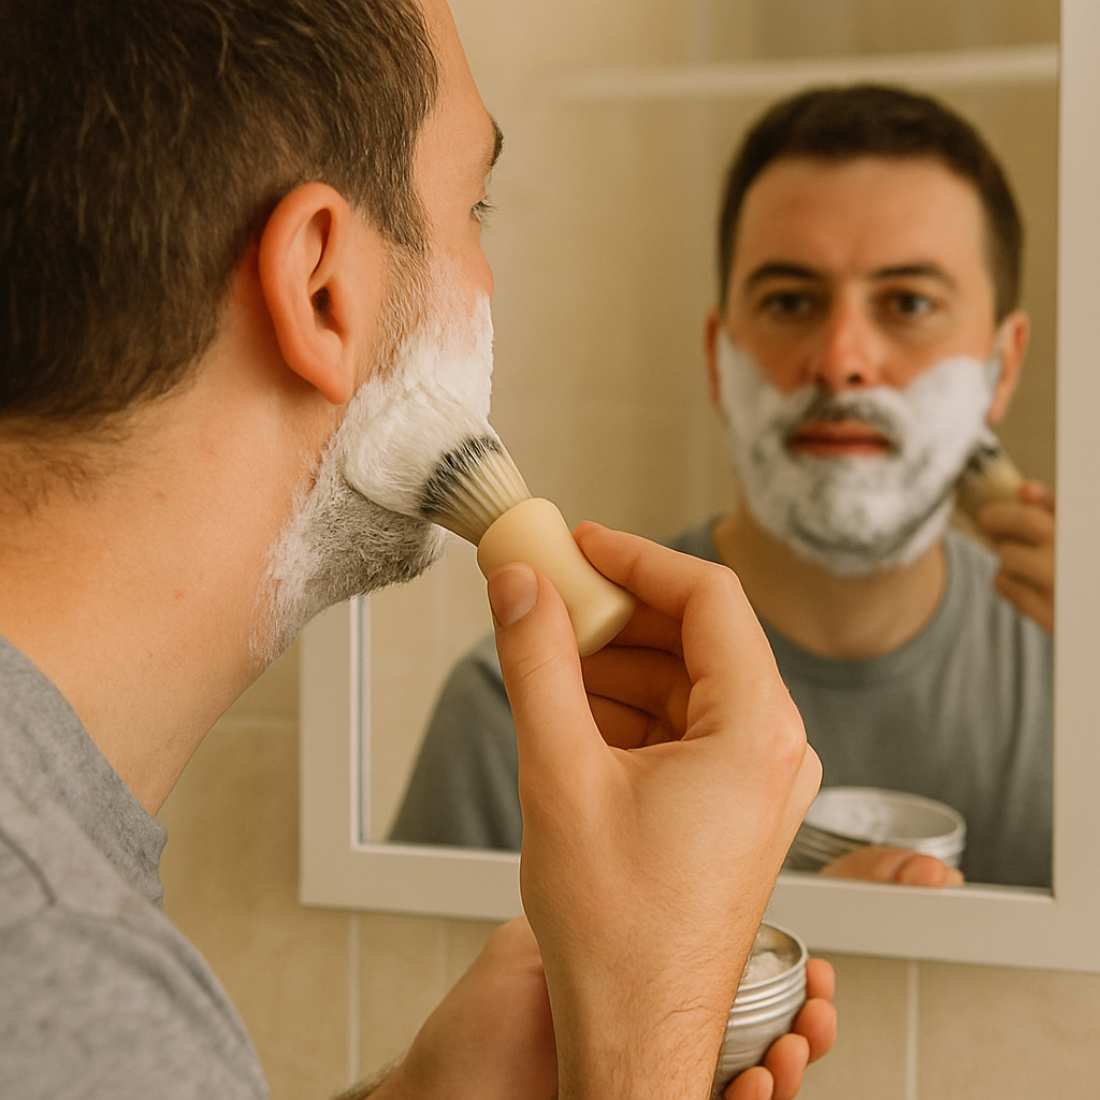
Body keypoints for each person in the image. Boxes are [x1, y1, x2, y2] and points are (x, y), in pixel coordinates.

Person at [0, 3, 835, 1099]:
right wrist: (641, 1045)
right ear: (320, 288)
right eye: (472, 207)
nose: (491, 284)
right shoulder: (62, 973)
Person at [392, 83, 1054, 891]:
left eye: (909, 302)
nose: (841, 358)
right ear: (718, 354)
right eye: (791, 301)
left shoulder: (1078, 664)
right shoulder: (526, 710)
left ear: (1004, 365)